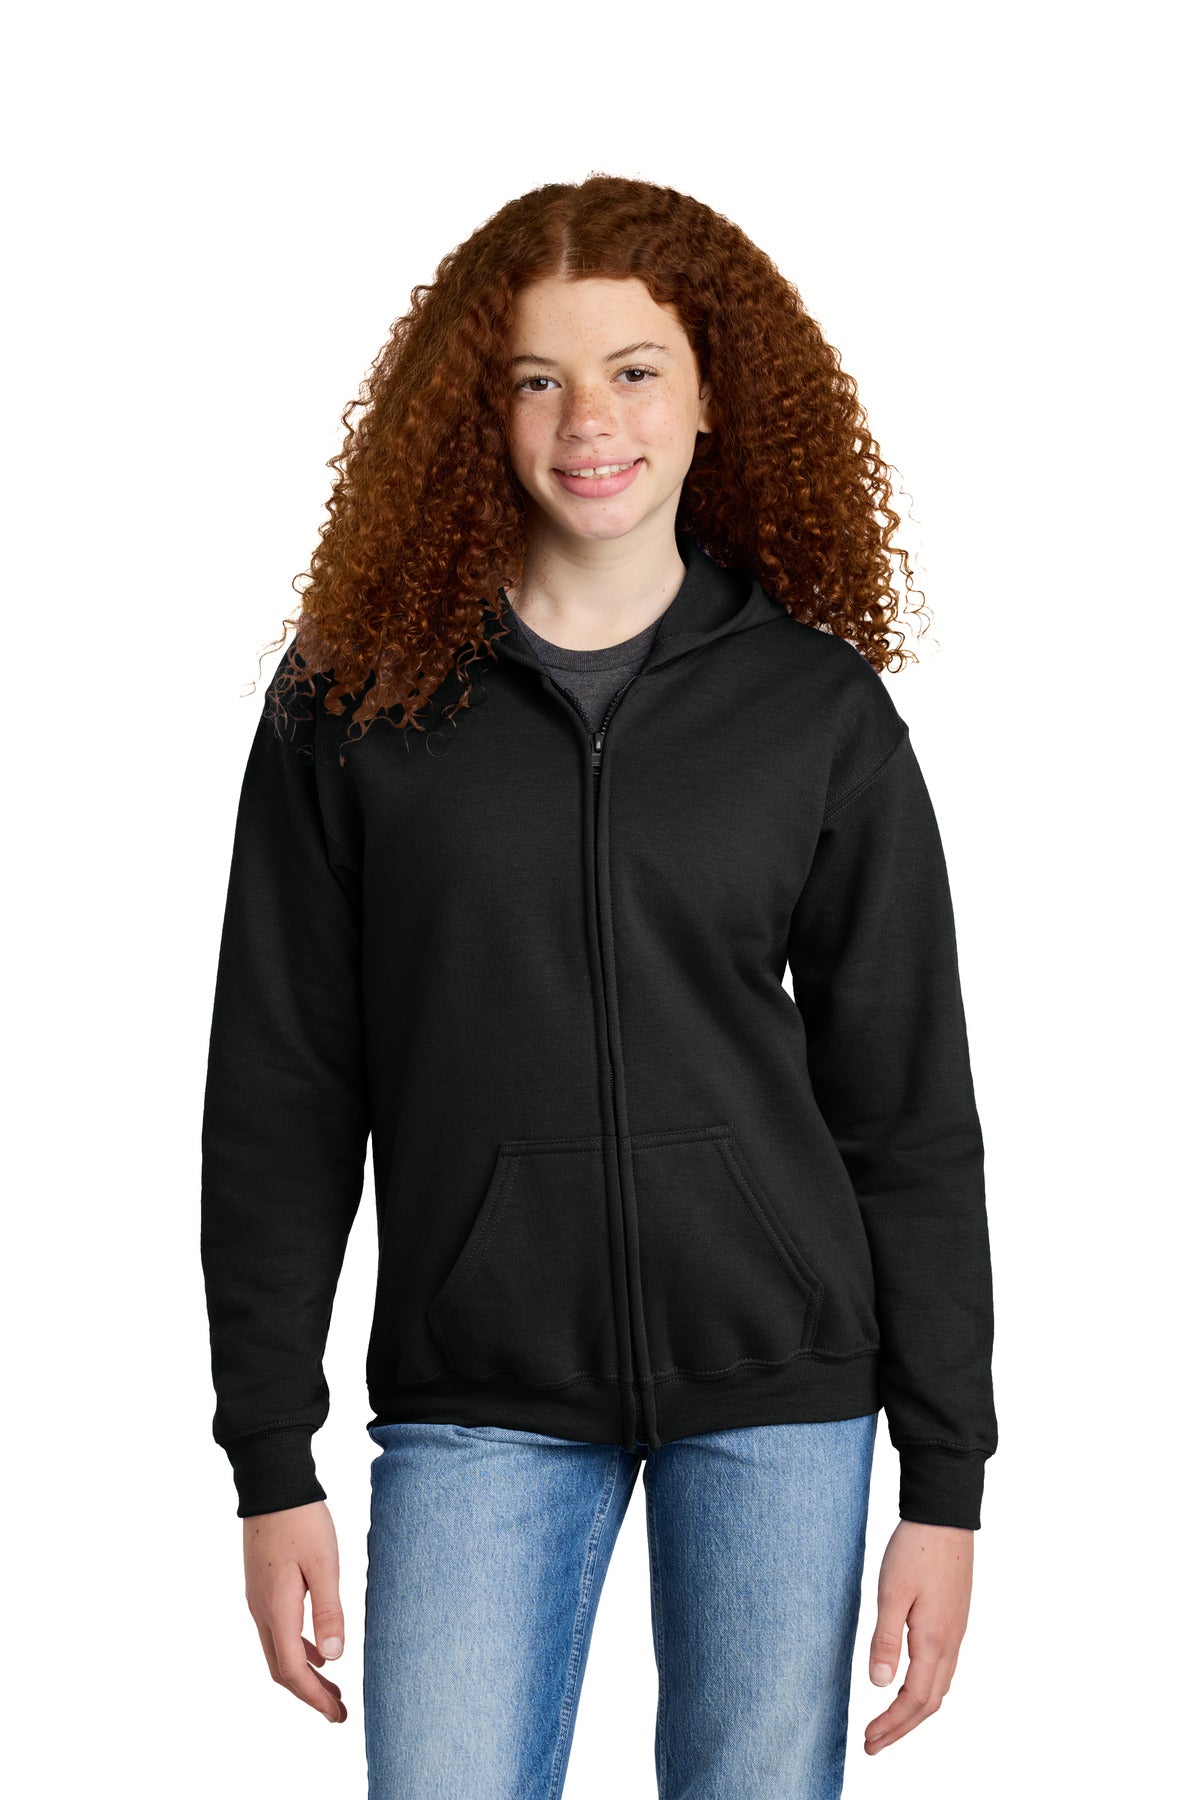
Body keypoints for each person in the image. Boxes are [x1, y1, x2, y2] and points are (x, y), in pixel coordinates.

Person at [200, 172, 998, 1798]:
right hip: (479, 1392)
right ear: (475, 413)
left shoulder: (815, 713)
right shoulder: (355, 706)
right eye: (536, 379)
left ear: (713, 396)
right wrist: (269, 1457)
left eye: (636, 370)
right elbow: (281, 1094)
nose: (590, 423)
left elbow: (908, 1111)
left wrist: (946, 1477)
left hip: (781, 1391)